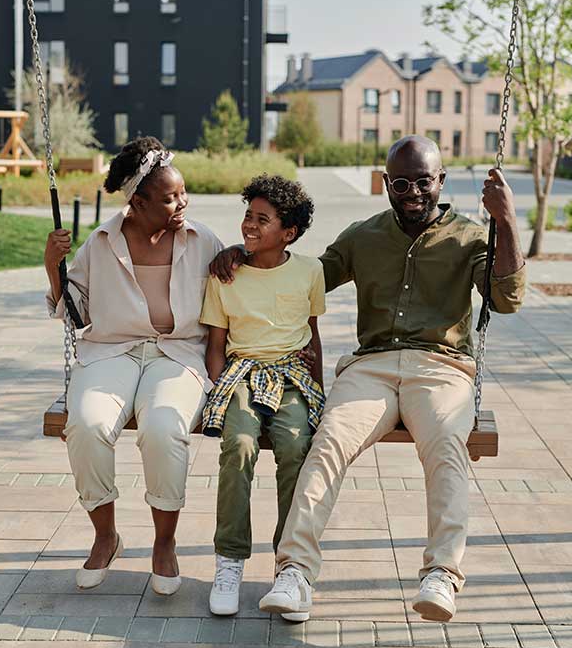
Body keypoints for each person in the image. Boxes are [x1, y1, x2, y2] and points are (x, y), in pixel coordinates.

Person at [211, 135, 526, 622]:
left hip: (441, 369)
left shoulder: (470, 236)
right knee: (328, 441)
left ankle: (442, 573)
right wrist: (247, 251)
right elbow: (305, 275)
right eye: (401, 183)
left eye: (424, 182)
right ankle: (295, 571)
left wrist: (504, 220)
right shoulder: (364, 235)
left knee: (446, 443)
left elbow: (505, 299)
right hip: (371, 366)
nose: (413, 192)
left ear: (440, 180)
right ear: (386, 185)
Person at [44, 136, 223, 596]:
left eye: (183, 192)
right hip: (112, 351)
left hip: (179, 354)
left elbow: (231, 299)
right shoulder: (101, 243)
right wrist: (53, 268)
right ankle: (106, 536)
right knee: (85, 424)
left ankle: (165, 543)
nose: (183, 202)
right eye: (170, 197)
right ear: (138, 203)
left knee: (163, 427)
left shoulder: (203, 240)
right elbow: (77, 313)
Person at [198, 175, 325, 617]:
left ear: (287, 233)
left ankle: (290, 568)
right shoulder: (225, 273)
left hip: (291, 377)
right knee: (240, 445)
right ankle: (229, 561)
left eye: (262, 219)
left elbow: (313, 335)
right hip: (240, 374)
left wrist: (319, 395)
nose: (249, 225)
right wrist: (217, 391)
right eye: (248, 216)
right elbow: (216, 344)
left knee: (295, 447)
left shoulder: (310, 270)